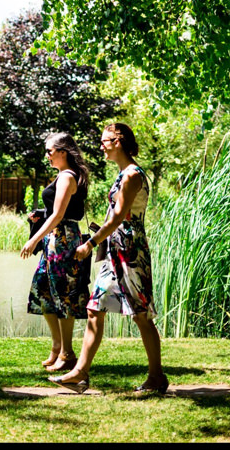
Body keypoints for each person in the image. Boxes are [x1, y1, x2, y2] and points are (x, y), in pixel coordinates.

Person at [52, 122, 167, 395]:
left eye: (105, 141)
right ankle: (80, 373)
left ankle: (157, 377)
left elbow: (118, 218)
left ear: (119, 141)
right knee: (94, 308)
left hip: (130, 251)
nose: (101, 146)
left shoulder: (132, 175)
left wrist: (91, 243)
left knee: (141, 315)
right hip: (116, 250)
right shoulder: (121, 174)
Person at [21, 132, 92, 372]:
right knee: (42, 292)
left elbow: (59, 215)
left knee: (63, 295)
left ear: (62, 151)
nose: (47, 156)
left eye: (50, 151)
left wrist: (34, 240)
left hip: (63, 240)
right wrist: (40, 214)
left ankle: (67, 353)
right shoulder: (62, 176)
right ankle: (57, 347)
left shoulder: (67, 177)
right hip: (55, 237)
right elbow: (55, 210)